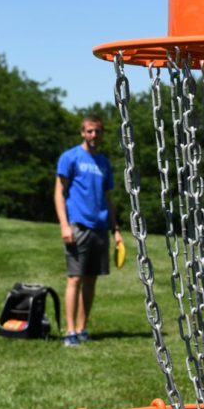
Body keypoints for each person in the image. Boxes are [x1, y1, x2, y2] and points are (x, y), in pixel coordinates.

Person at [54, 114, 123, 347]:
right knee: (75, 279)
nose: (94, 136)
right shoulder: (70, 157)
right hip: (78, 226)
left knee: (91, 281)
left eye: (98, 132)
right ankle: (70, 331)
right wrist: (65, 225)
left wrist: (116, 229)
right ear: (83, 133)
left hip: (100, 228)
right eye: (90, 131)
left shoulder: (104, 162)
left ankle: (83, 328)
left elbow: (107, 197)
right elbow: (59, 193)